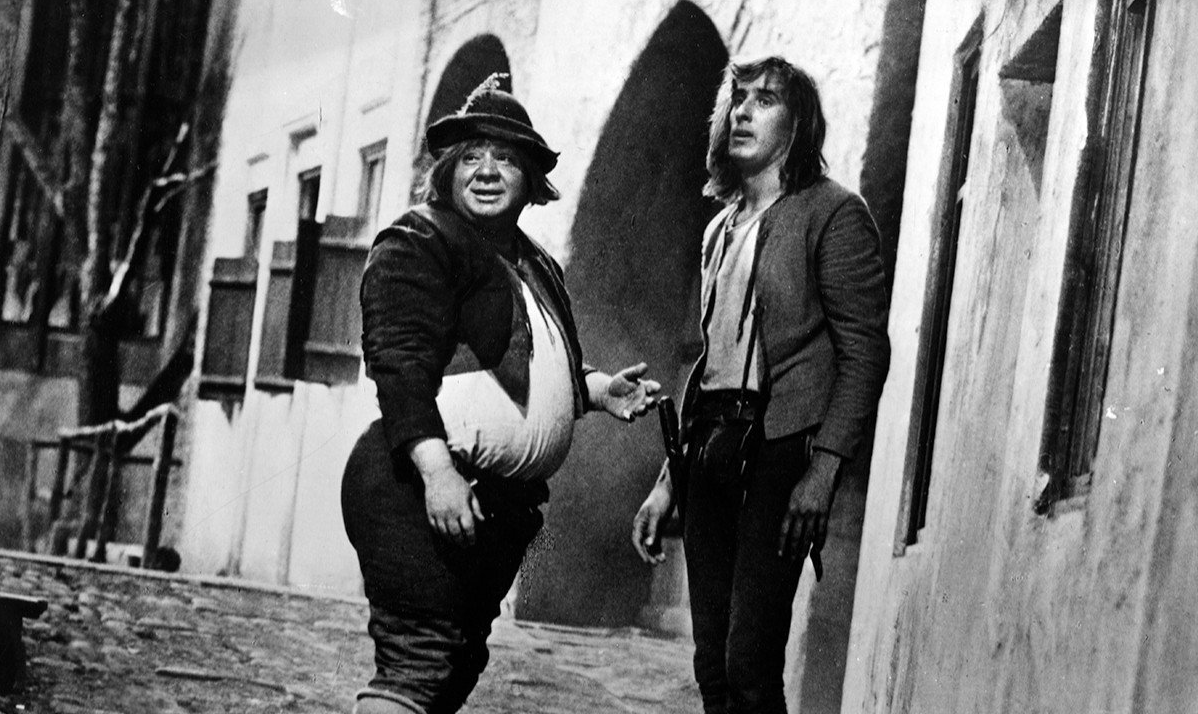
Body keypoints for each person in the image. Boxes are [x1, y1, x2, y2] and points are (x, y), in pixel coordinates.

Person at [340, 75, 660, 714]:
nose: (487, 171)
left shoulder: (536, 263)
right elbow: (400, 368)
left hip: (499, 507)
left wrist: (597, 389)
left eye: (506, 158)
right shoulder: (420, 240)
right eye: (472, 157)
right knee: (417, 663)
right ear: (449, 171)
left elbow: (526, 365)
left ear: (531, 178)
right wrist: (437, 472)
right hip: (421, 489)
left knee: (453, 667)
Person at [631, 56, 891, 714]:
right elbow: (710, 361)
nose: (743, 112)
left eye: (765, 100)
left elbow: (864, 354)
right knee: (712, 665)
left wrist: (822, 470)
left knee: (749, 662)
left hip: (780, 452)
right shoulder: (719, 229)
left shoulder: (833, 213)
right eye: (738, 98)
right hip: (708, 449)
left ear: (797, 123)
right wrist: (668, 482)